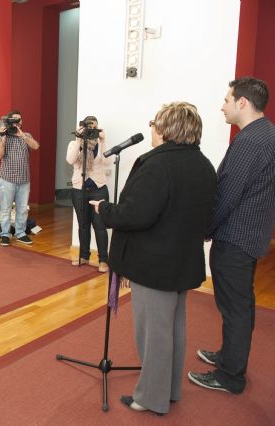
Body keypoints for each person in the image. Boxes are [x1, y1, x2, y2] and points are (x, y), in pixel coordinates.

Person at [90, 102, 217, 415]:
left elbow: (137, 214)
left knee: (152, 334)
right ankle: (169, 390)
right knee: (173, 329)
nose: (151, 128)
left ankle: (150, 397)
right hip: (181, 260)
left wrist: (104, 210)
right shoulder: (202, 163)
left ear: (166, 128)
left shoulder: (158, 165)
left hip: (153, 263)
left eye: (154, 123)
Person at [188, 77, 275, 395]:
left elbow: (228, 192)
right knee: (240, 305)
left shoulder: (251, 140)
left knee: (235, 307)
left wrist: (205, 229)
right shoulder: (267, 133)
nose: (222, 105)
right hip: (250, 235)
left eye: (226, 99)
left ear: (242, 103)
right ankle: (229, 357)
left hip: (236, 237)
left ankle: (230, 376)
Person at [66, 116, 111, 272]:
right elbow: (70, 160)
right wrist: (79, 140)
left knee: (100, 226)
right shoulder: (74, 143)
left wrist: (103, 141)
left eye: (95, 127)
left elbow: (107, 162)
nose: (92, 130)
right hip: (79, 190)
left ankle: (103, 260)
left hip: (99, 189)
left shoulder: (100, 144)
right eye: (89, 127)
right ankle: (84, 256)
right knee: (83, 225)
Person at [0, 110, 39, 246]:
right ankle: (5, 234)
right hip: (7, 179)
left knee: (23, 208)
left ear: (21, 122)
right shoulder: (0, 137)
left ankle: (20, 233)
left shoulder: (26, 136)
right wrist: (3, 138)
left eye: (19, 120)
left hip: (24, 180)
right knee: (6, 208)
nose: (17, 122)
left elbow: (36, 146)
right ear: (8, 122)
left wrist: (22, 136)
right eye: (14, 120)